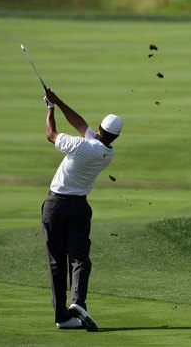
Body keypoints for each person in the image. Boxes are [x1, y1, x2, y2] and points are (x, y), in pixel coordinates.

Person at [42, 89, 123, 331]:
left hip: (55, 205)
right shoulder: (107, 152)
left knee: (57, 262)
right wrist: (58, 101)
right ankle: (77, 302)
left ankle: (62, 316)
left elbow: (50, 134)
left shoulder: (79, 145)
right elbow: (80, 123)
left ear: (100, 127)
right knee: (79, 258)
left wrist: (50, 108)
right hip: (79, 207)